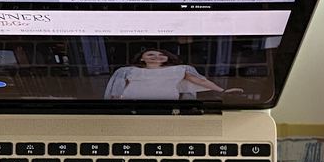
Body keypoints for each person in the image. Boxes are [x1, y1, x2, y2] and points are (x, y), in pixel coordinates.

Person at [104, 48, 243, 100]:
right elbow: (118, 90)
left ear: (167, 58)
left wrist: (223, 90)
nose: (156, 56)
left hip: (167, 103)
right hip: (133, 103)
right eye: (151, 54)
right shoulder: (128, 70)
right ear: (142, 58)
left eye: (161, 55)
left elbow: (200, 81)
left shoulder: (179, 69)